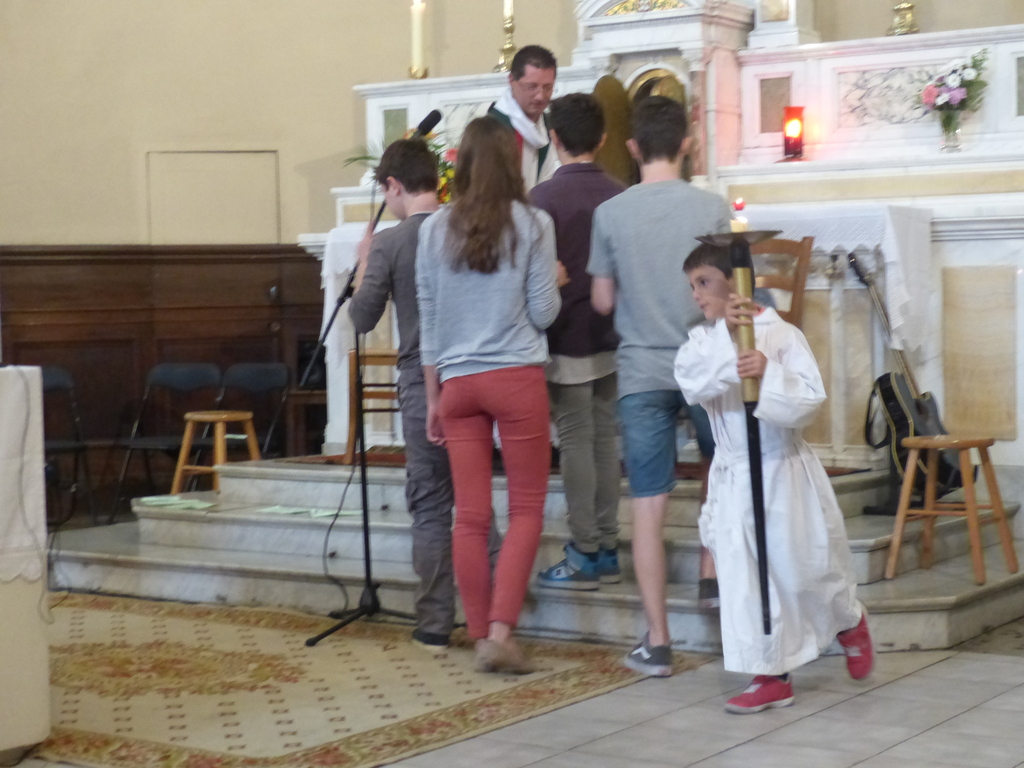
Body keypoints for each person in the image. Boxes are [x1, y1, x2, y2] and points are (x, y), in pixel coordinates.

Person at [674, 242, 873, 713]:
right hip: (734, 474)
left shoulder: (781, 334)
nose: (697, 294)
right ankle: (771, 675)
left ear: (736, 282)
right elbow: (691, 381)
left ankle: (848, 621)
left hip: (780, 470)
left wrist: (767, 373)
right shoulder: (704, 339)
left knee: (801, 571)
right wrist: (730, 346)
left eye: (704, 282)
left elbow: (808, 402)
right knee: (747, 579)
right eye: (692, 286)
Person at [587, 95, 728, 677]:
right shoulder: (712, 206)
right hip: (706, 366)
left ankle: (658, 642)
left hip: (642, 370)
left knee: (648, 503)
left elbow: (602, 300)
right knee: (720, 473)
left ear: (632, 147)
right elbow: (724, 290)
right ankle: (711, 575)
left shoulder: (610, 213)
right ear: (687, 145)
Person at [416, 117, 560, 674]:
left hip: (457, 383)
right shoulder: (534, 223)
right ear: (513, 163)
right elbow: (543, 312)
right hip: (516, 376)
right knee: (524, 510)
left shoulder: (434, 228)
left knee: (470, 517)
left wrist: (434, 397)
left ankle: (477, 636)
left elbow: (429, 321)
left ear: (463, 164)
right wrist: (555, 281)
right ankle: (502, 632)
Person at [347, 138, 459, 651]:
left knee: (431, 501)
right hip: (473, 375)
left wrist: (365, 263)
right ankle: (495, 614)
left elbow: (361, 317)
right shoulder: (464, 226)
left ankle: (435, 621)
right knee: (474, 498)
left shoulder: (392, 242)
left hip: (420, 380)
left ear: (394, 186)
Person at [529, 93, 625, 591]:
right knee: (605, 437)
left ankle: (584, 551)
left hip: (564, 333)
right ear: (603, 139)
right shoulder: (621, 194)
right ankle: (607, 545)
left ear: (554, 138)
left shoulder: (540, 200)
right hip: (612, 333)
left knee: (574, 439)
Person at [488, 45, 559, 191]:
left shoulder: (548, 125)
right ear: (511, 80)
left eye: (547, 88)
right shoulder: (493, 128)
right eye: (532, 87)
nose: (540, 96)